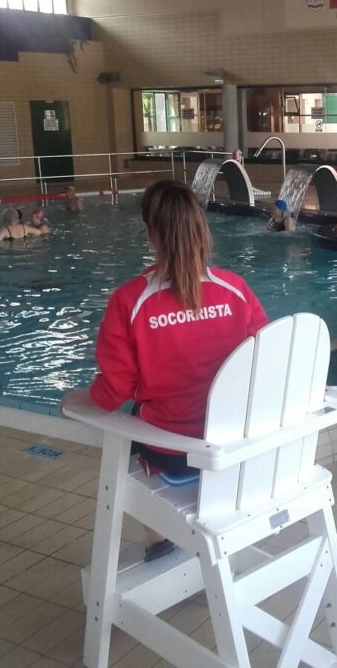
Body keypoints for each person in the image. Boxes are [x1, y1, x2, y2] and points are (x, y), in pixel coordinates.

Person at [89, 180, 268, 560]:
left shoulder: (130, 301)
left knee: (136, 420)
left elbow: (115, 389)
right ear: (201, 229)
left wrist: (86, 398)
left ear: (151, 234)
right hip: (236, 444)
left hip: (173, 452)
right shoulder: (235, 289)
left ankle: (160, 540)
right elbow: (265, 360)